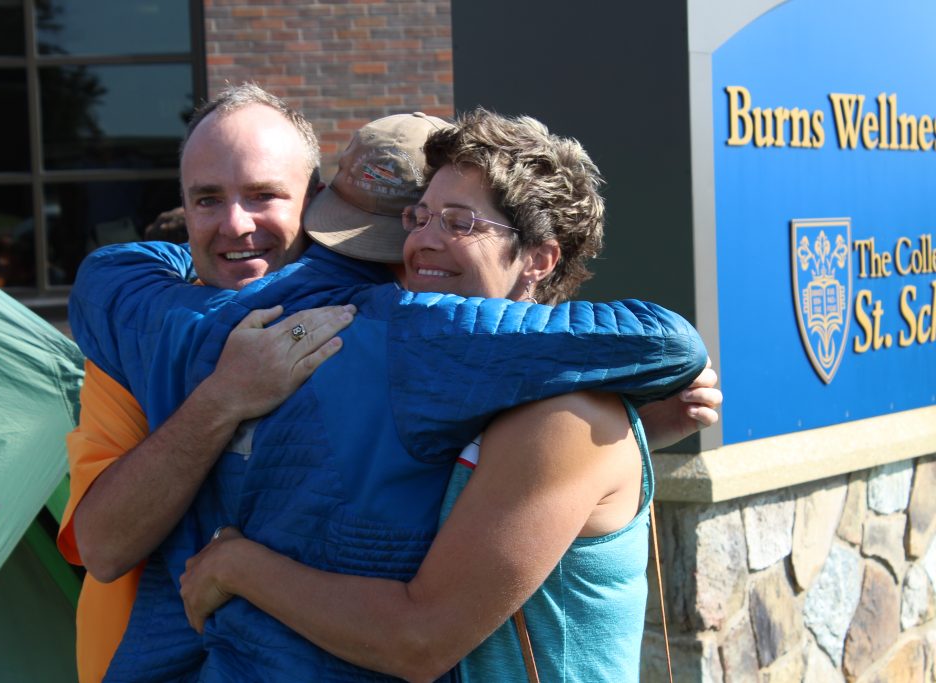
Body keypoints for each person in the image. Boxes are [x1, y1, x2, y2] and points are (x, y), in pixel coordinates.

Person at [58, 83, 718, 682]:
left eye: (456, 222)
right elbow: (103, 545)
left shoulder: (536, 398)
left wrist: (238, 566)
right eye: (415, 220)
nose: (416, 249)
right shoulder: (189, 326)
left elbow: (418, 635)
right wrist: (223, 395)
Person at [55, 83, 358, 683]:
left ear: (315, 200)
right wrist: (223, 397)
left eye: (263, 195)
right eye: (208, 199)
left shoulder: (367, 325)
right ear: (184, 208)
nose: (235, 224)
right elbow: (104, 548)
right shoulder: (139, 335)